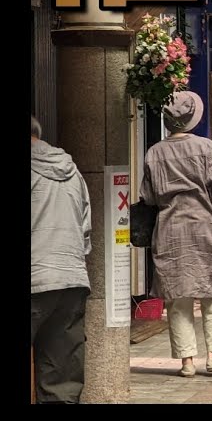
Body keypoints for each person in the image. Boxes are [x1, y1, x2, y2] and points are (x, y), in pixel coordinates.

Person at [139, 91, 212, 378]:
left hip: (169, 229)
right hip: (206, 226)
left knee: (176, 296)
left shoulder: (154, 152)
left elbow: (148, 195)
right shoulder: (207, 148)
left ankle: (187, 361)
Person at [31, 115, 91, 404]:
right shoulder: (72, 171)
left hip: (36, 278)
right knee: (62, 378)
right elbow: (85, 230)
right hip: (71, 279)